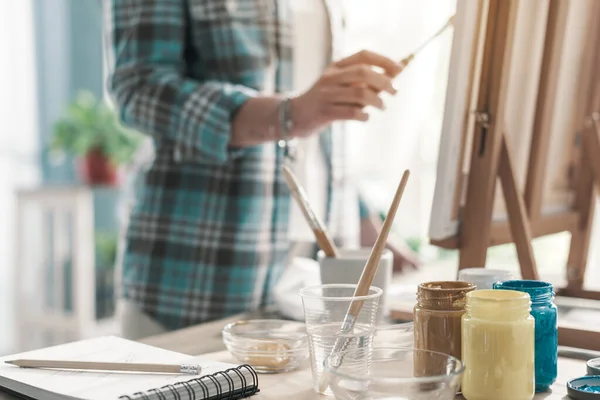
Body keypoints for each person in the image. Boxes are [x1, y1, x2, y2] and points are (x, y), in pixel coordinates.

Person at [104, 0, 420, 339]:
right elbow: (138, 88)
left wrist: (363, 218)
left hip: (317, 275)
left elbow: (319, 119)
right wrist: (287, 115)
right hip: (201, 275)